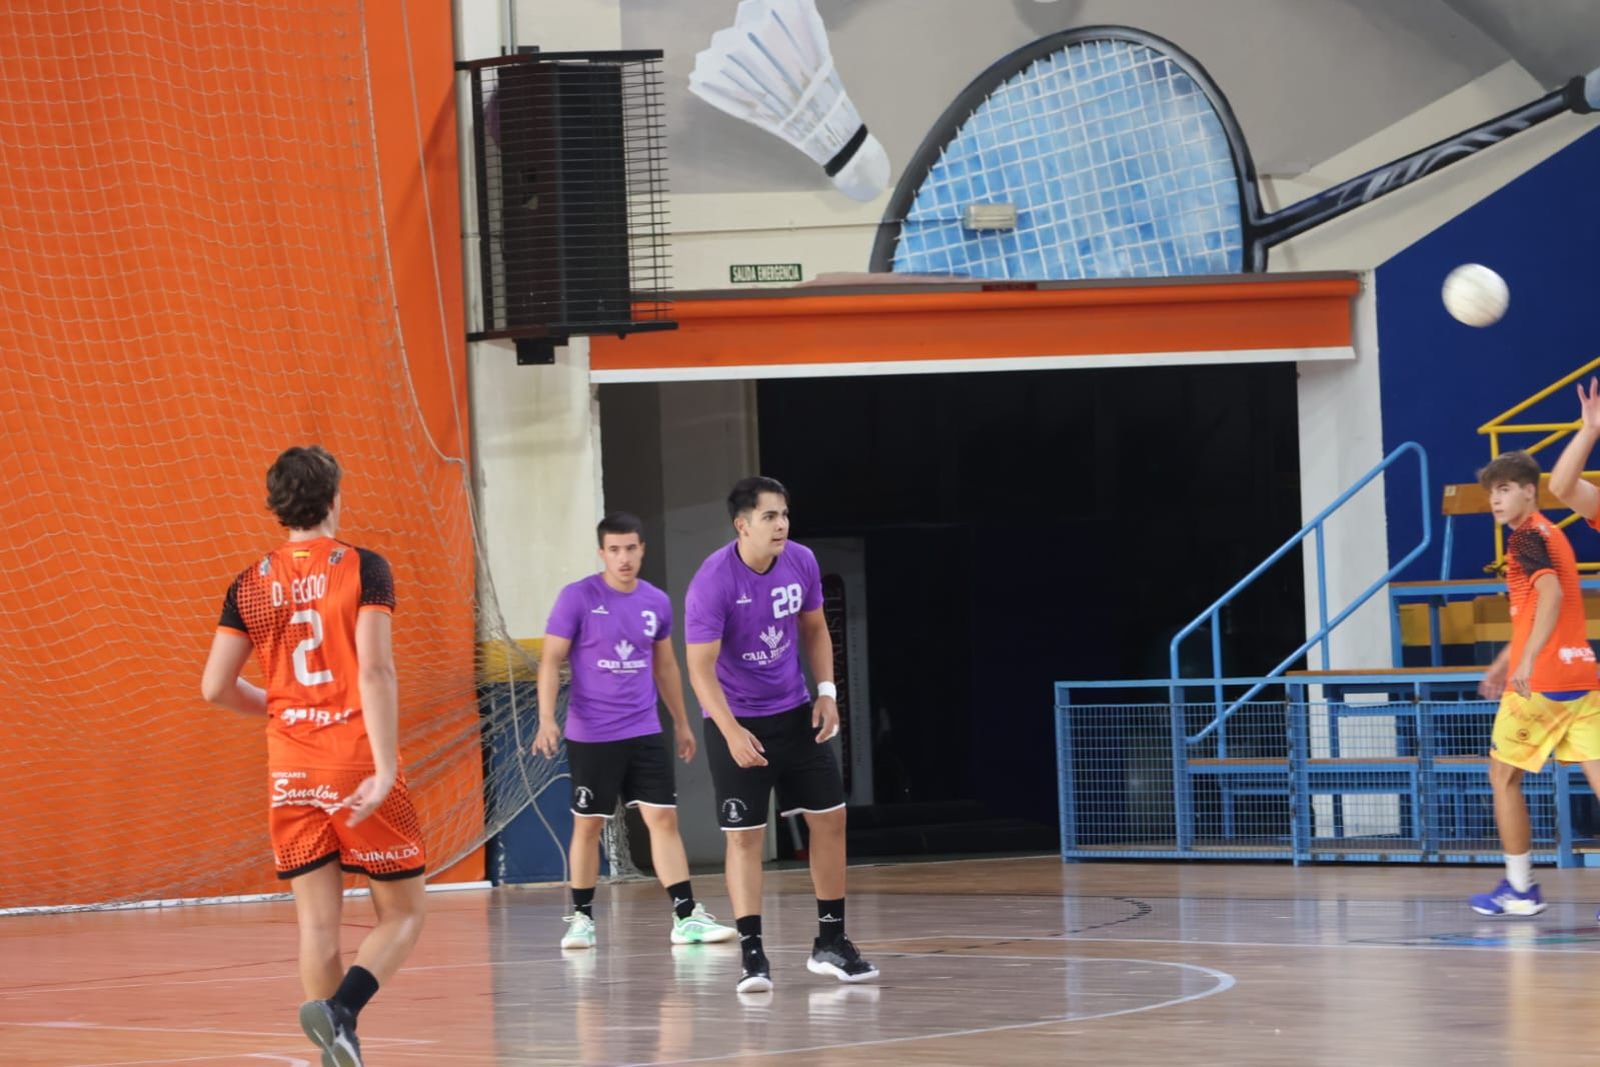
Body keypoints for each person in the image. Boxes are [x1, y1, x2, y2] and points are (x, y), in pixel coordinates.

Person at [201, 445, 425, 1067]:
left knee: (317, 930)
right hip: (353, 759)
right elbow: (375, 671)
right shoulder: (364, 567)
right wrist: (383, 769)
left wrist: (279, 709)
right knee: (404, 912)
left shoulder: (248, 582)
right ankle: (344, 1011)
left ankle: (339, 1046)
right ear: (334, 496)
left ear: (277, 505)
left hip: (290, 770)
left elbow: (215, 687)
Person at [684, 476, 878, 993]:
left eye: (786, 514)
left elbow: (814, 628)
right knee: (745, 837)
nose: (782, 525)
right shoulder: (713, 580)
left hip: (795, 712)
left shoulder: (801, 562)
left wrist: (827, 691)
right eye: (770, 516)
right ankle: (752, 955)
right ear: (742, 525)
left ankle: (831, 943)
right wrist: (729, 731)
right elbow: (699, 668)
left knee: (830, 820)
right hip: (738, 720)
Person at [534, 512, 735, 949]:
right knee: (588, 825)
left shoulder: (656, 602)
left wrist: (681, 721)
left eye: (631, 548)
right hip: (592, 735)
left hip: (643, 730)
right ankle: (582, 918)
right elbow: (551, 660)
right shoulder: (577, 598)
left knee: (663, 819)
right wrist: (547, 718)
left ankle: (685, 916)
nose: (623, 558)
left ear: (642, 549)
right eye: (614, 550)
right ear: (601, 553)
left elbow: (665, 665)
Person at [1469, 448, 1600, 916]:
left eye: (1504, 489)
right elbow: (1537, 610)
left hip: (1541, 682)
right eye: (1491, 493)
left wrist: (1523, 663)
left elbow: (1550, 595)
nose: (1495, 501)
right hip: (1582, 672)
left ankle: (1520, 889)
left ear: (1529, 490)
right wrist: (1507, 658)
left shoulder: (1525, 538)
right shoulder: (1554, 535)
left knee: (1503, 777)